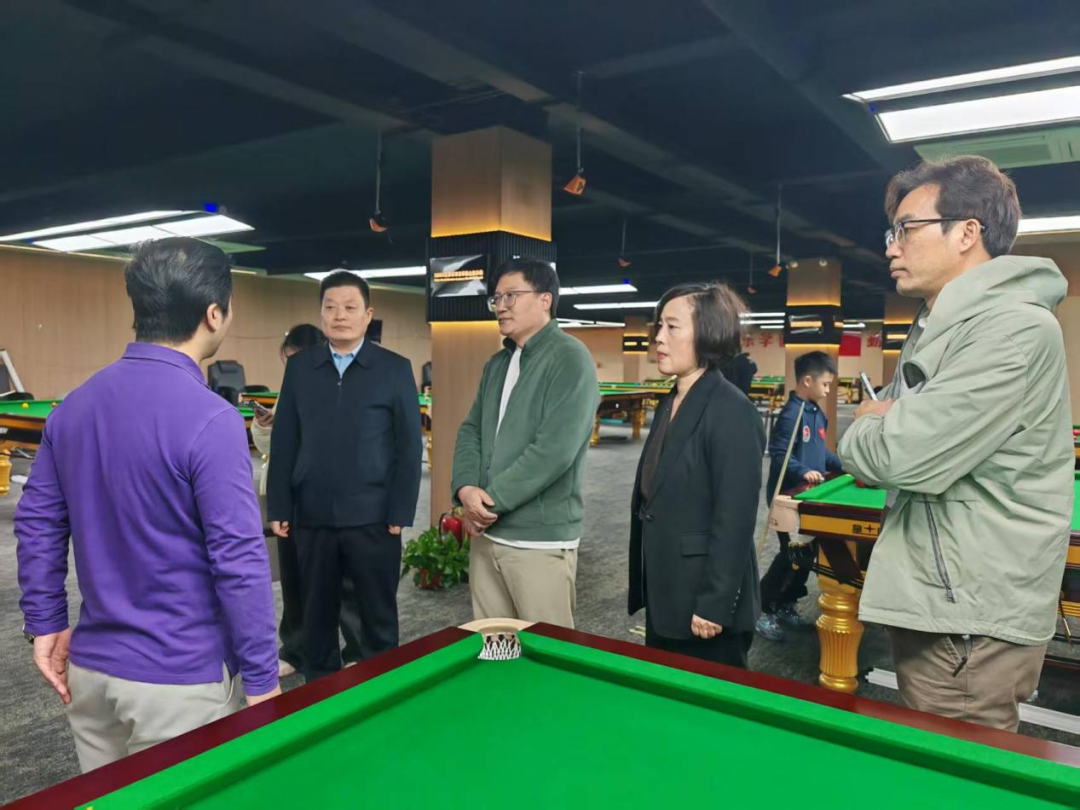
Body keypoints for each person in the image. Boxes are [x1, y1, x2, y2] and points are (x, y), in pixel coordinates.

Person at [15, 238, 280, 773]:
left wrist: (45, 622)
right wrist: (263, 679)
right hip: (182, 684)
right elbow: (238, 560)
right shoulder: (213, 419)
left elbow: (38, 521)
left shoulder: (74, 407)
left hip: (92, 672)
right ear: (214, 313)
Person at [838, 155, 1073, 732]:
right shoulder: (941, 324)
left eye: (906, 229)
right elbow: (891, 438)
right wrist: (884, 420)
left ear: (967, 232)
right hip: (946, 595)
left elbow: (892, 454)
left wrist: (868, 421)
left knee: (956, 765)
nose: (891, 247)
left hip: (968, 612)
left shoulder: (1011, 329)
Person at [267, 271, 422, 683]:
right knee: (315, 615)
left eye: (350, 307)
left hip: (375, 517)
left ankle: (382, 690)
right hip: (312, 515)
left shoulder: (394, 369)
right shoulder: (300, 368)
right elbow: (285, 440)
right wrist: (280, 504)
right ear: (321, 313)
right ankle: (319, 691)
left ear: (367, 314)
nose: (340, 315)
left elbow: (409, 446)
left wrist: (400, 510)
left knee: (377, 618)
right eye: (331, 307)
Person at [452, 258, 599, 628]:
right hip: (488, 535)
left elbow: (554, 451)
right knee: (494, 646)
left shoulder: (570, 358)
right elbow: (471, 430)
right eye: (497, 298)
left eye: (511, 296)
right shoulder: (497, 364)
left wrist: (488, 503)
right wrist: (466, 489)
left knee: (545, 653)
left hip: (538, 541)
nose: (501, 306)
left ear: (545, 299)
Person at [628, 282, 765, 667]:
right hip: (667, 590)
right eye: (659, 326)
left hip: (705, 605)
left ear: (706, 333)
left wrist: (714, 603)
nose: (659, 337)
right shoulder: (671, 401)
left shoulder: (731, 410)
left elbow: (735, 519)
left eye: (672, 327)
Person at [251, 324, 363, 679]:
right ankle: (297, 648)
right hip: (291, 501)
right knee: (295, 580)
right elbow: (272, 449)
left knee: (345, 581)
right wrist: (266, 427)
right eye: (288, 361)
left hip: (333, 501)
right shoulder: (292, 389)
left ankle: (358, 650)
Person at [756, 351, 843, 642]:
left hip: (810, 498)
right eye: (825, 384)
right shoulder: (792, 414)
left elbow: (821, 452)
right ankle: (762, 607)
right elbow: (779, 453)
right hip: (788, 499)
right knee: (789, 553)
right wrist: (804, 471)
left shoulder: (816, 413)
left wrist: (845, 465)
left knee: (806, 555)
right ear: (807, 381)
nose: (828, 390)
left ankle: (786, 602)